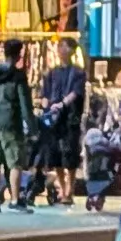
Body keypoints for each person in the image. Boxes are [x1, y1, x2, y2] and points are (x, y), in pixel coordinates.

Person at [0, 39, 37, 212]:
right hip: (10, 123)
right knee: (15, 162)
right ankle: (14, 200)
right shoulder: (18, 77)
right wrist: (33, 128)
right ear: (18, 55)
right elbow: (24, 105)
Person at [39, 39, 87, 207]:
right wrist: (45, 105)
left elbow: (76, 92)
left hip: (70, 119)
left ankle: (70, 189)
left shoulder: (78, 73)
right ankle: (63, 187)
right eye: (59, 46)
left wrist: (62, 104)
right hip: (54, 120)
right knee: (55, 154)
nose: (60, 49)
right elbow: (45, 93)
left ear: (72, 50)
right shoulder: (52, 73)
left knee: (70, 154)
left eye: (63, 46)